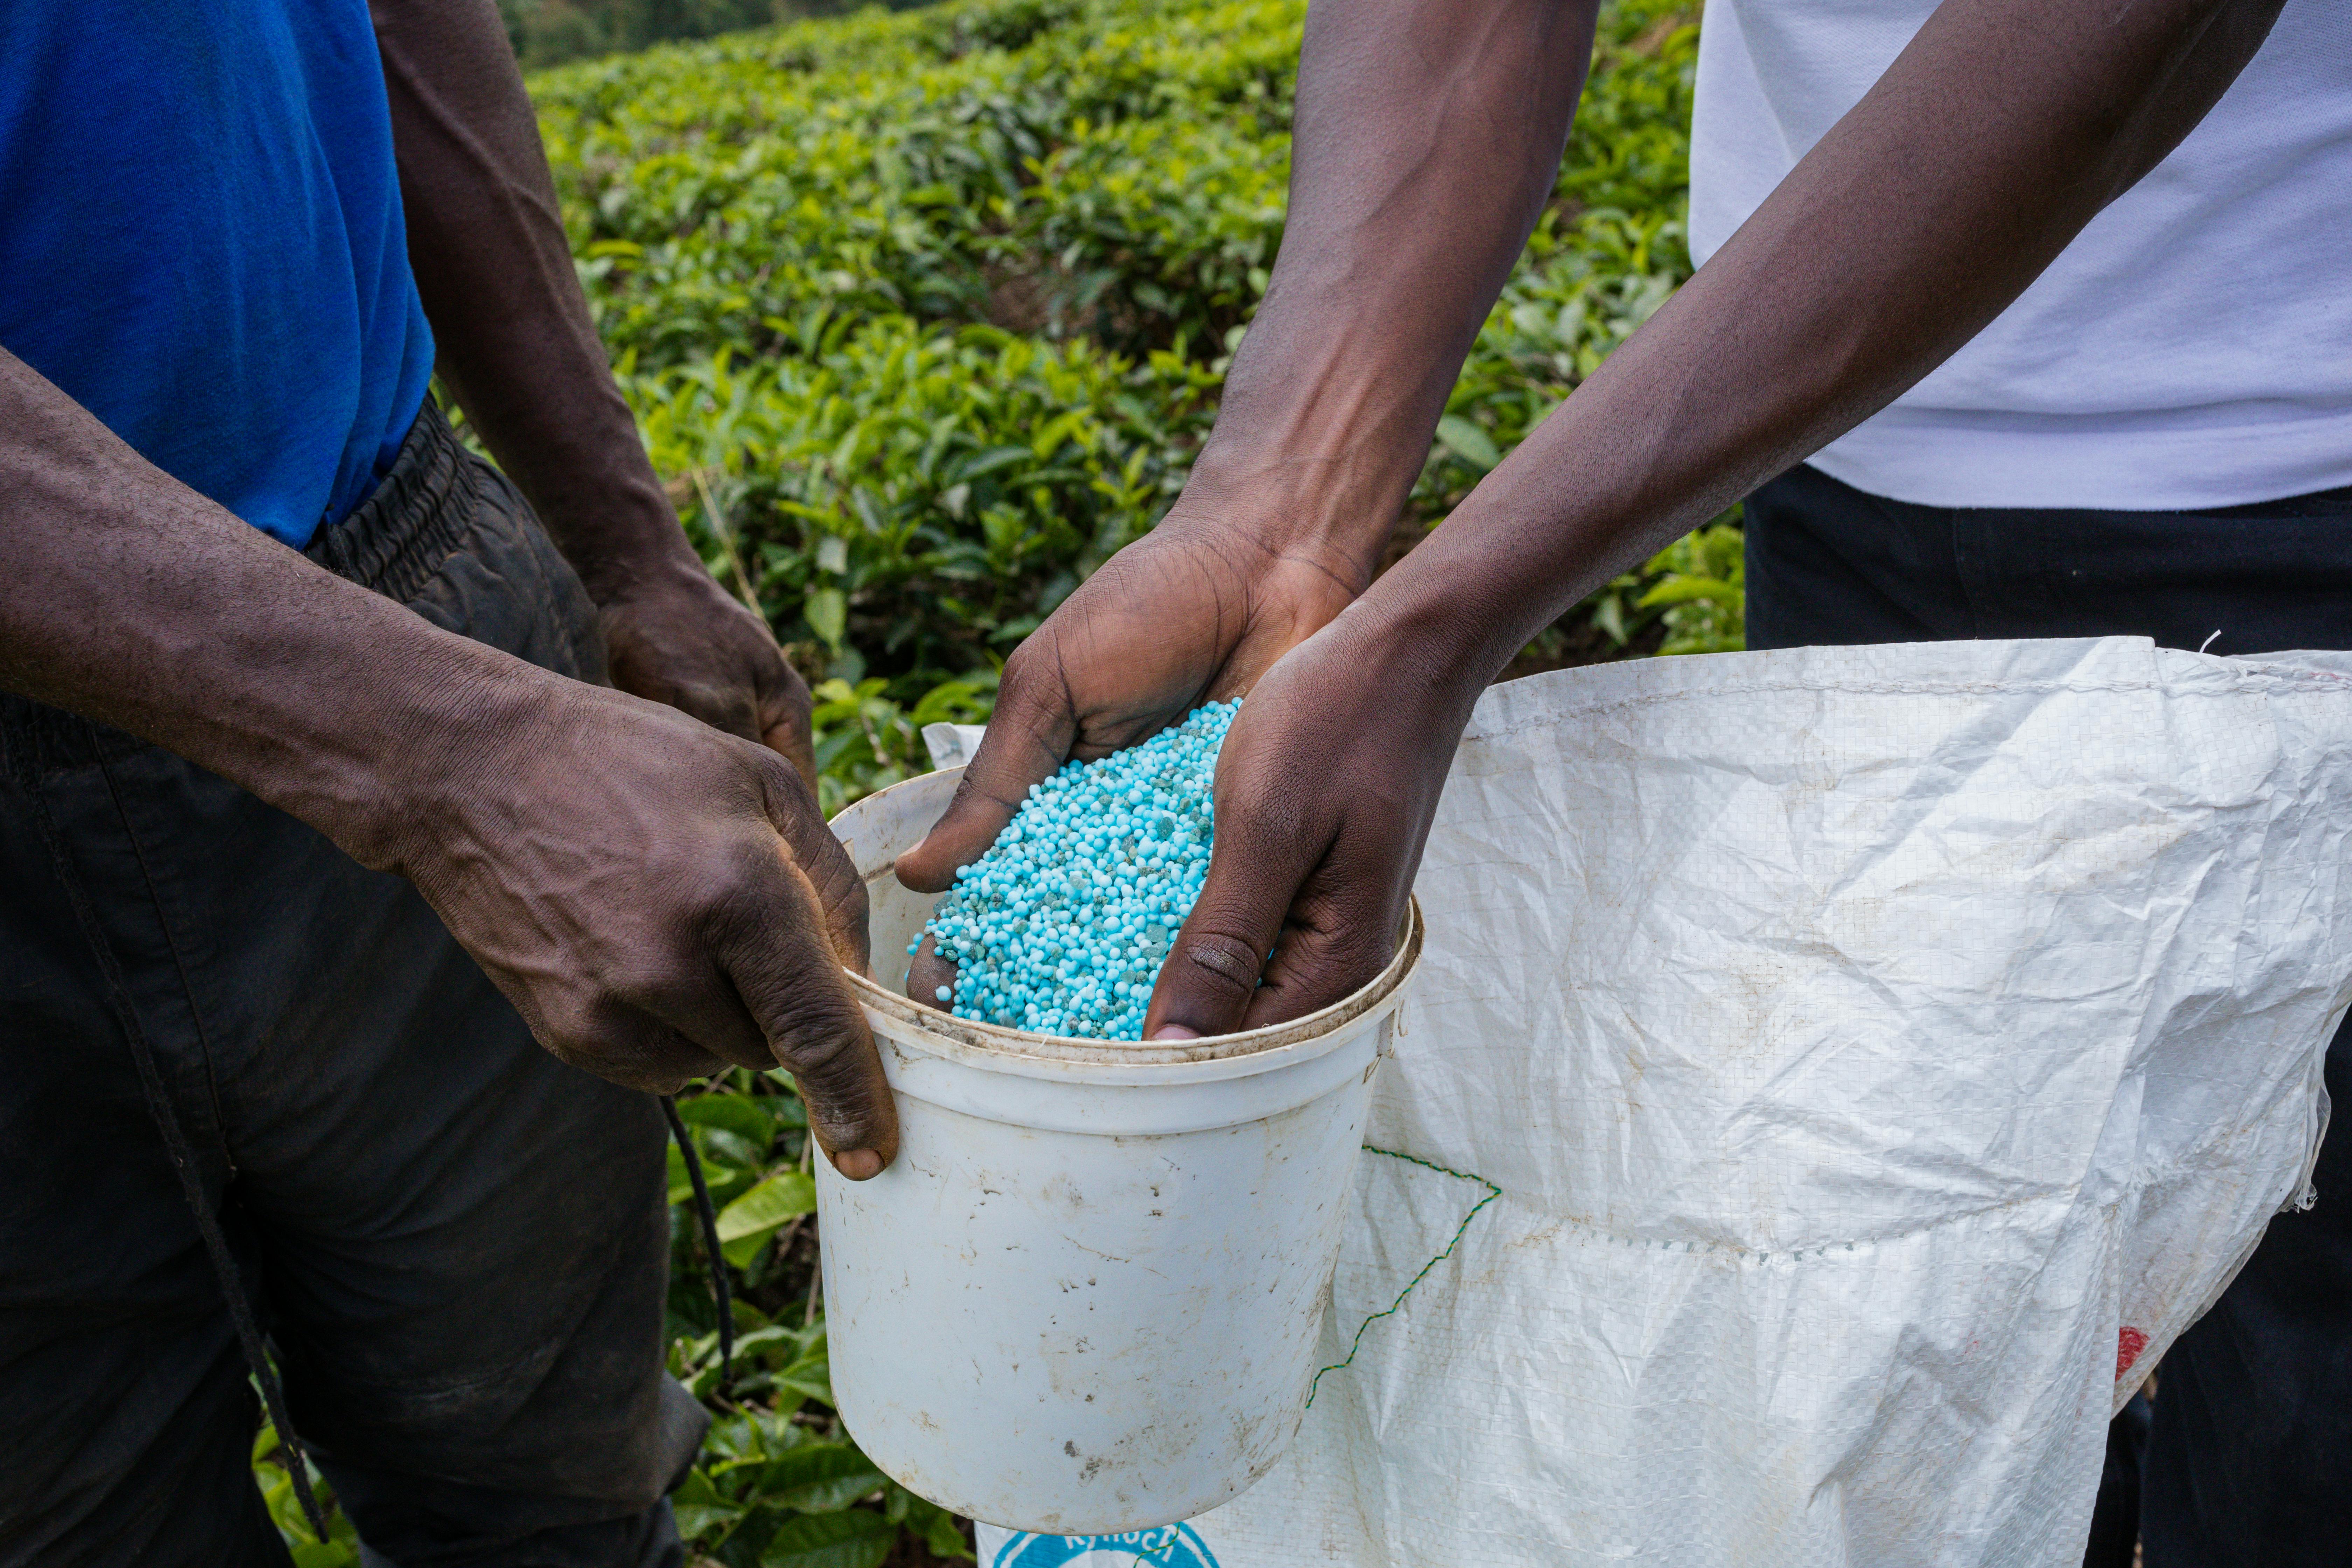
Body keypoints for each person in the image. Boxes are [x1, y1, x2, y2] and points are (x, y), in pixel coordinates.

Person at [900, 0, 2350, 1559]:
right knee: (1950, 1319)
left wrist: (1438, 625)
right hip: (1831, 425)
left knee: (2305, 1374)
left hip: (2296, 465)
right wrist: (1283, 514)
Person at [0, 2, 895, 1563]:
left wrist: (623, 545)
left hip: (395, 570)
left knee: (550, 1478)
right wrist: (445, 753)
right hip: (400, 705)